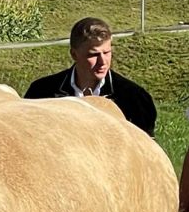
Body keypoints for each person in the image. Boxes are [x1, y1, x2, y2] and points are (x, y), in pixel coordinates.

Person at [24, 17, 157, 137]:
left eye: (107, 52)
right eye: (93, 55)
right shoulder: (41, 93)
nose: (103, 61)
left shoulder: (135, 99)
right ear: (74, 54)